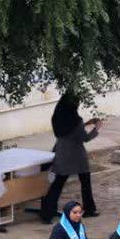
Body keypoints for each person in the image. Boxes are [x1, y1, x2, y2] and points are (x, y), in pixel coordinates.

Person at [40, 92, 100, 222]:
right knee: (85, 184)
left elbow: (69, 132)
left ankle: (47, 213)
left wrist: (85, 124)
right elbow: (84, 138)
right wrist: (96, 129)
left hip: (62, 154)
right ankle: (89, 209)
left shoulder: (57, 118)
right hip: (77, 157)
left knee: (57, 185)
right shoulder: (76, 120)